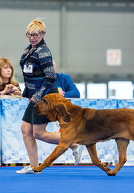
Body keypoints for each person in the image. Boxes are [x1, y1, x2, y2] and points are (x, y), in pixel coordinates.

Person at [16, 18, 82, 174]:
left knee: (38, 133)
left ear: (43, 34)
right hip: (35, 98)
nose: (32, 37)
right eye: (30, 34)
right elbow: (29, 76)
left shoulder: (43, 51)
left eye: (36, 34)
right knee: (25, 129)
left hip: (45, 98)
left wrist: (38, 95)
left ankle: (73, 142)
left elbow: (51, 76)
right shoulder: (28, 51)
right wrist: (24, 92)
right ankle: (34, 167)